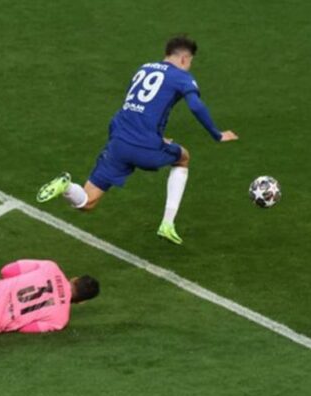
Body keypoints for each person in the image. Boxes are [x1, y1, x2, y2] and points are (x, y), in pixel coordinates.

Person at [36, 35, 239, 245]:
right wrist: (217, 134)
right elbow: (196, 106)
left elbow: (136, 106)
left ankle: (67, 187)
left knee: (88, 202)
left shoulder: (144, 68)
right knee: (183, 158)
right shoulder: (181, 77)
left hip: (118, 141)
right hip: (144, 146)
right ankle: (167, 223)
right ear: (184, 58)